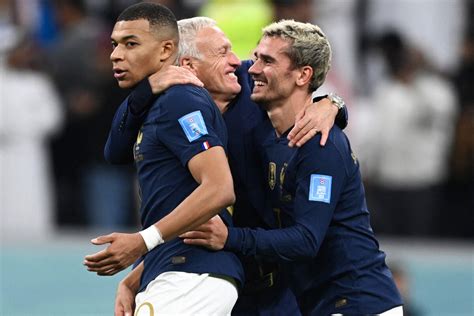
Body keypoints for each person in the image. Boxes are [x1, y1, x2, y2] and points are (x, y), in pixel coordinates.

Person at [89, 16, 348, 315]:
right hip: (226, 268)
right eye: (222, 52)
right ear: (187, 65)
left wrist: (334, 104)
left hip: (275, 278)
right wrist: (145, 89)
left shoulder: (249, 84)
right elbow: (116, 150)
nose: (236, 61)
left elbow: (305, 92)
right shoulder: (177, 105)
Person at [180, 20, 404, 315]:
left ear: (303, 75)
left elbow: (307, 240)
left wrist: (229, 238)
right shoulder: (270, 131)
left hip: (356, 301)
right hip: (318, 302)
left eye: (267, 60)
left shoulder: (321, 144)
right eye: (257, 57)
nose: (252, 69)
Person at [84, 3, 244, 315]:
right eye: (115, 44)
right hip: (179, 273)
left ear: (167, 51)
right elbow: (114, 152)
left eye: (131, 44)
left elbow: (220, 188)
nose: (116, 54)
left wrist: (142, 242)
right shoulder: (159, 100)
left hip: (191, 278)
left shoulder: (183, 99)